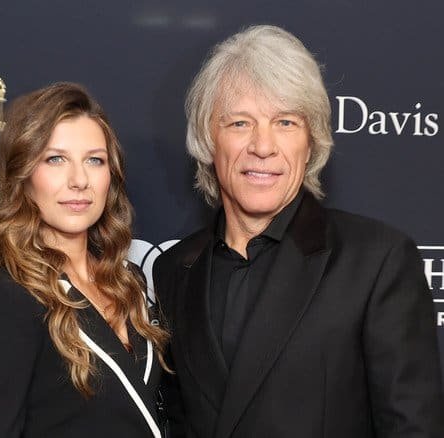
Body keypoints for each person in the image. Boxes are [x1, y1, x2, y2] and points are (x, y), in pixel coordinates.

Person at [153, 25, 444, 437]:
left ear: (311, 143)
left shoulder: (376, 261)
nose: (263, 146)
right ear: (207, 139)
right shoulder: (174, 269)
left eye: (285, 122)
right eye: (240, 123)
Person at [0, 82, 169, 437]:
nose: (79, 180)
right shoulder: (7, 296)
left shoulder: (128, 280)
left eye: (94, 160)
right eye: (55, 159)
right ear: (23, 174)